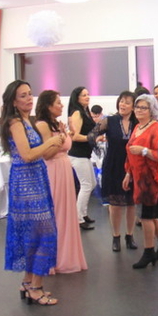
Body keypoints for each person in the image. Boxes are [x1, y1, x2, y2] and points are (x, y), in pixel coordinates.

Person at [0, 80, 64, 306]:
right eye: (23, 95)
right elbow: (27, 155)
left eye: (30, 94)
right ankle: (35, 287)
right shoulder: (16, 122)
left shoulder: (28, 120)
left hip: (36, 178)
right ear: (13, 101)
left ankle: (29, 282)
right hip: (26, 182)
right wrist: (51, 142)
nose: (29, 99)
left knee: (35, 233)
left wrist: (55, 142)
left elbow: (38, 153)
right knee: (44, 232)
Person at [35, 90, 88, 274]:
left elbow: (64, 146)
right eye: (58, 103)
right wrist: (60, 139)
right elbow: (46, 154)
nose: (62, 105)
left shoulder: (57, 124)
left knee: (66, 212)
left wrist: (66, 134)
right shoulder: (42, 125)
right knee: (56, 213)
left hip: (64, 169)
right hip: (53, 171)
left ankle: (66, 256)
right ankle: (53, 259)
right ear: (48, 106)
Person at [122, 94, 158, 269]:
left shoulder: (157, 129)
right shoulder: (138, 127)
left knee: (146, 217)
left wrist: (143, 150)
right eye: (137, 107)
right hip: (138, 177)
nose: (139, 110)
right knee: (150, 215)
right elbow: (130, 153)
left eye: (144, 108)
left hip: (151, 180)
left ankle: (149, 251)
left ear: (152, 110)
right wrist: (128, 173)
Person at [90, 91, 138, 252]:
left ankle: (129, 235)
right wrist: (96, 139)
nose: (123, 105)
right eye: (121, 101)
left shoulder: (137, 122)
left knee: (131, 203)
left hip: (132, 166)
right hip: (113, 165)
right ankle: (116, 236)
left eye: (127, 102)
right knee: (115, 204)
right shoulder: (109, 121)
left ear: (133, 107)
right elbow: (92, 134)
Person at [68, 86, 97, 230]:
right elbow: (75, 136)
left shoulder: (85, 112)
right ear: (77, 98)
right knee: (86, 185)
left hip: (84, 154)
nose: (87, 97)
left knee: (92, 184)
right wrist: (91, 138)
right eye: (84, 95)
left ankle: (83, 213)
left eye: (88, 94)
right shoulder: (77, 113)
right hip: (77, 154)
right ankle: (78, 218)